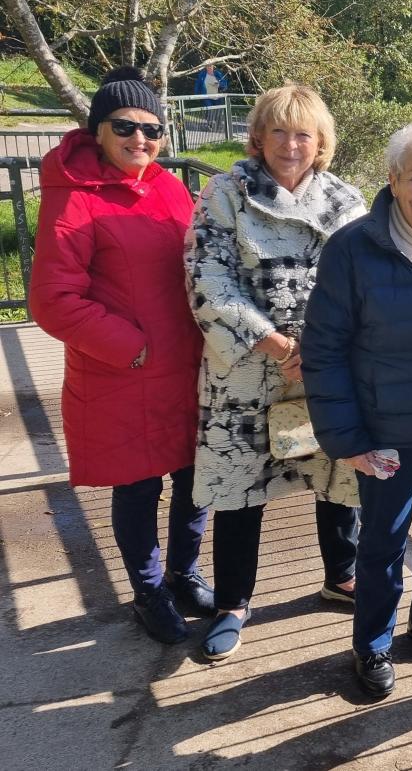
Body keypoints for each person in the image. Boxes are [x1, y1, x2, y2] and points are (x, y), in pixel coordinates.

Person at [29, 66, 212, 644]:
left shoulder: (167, 185)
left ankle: (185, 573)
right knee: (138, 487)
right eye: (125, 126)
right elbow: (53, 300)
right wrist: (131, 349)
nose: (140, 139)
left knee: (194, 480)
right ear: (98, 130)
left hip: (186, 367)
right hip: (125, 374)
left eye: (152, 129)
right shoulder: (75, 199)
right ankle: (150, 591)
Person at [185, 84, 366, 662]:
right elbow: (206, 275)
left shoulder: (344, 202)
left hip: (324, 365)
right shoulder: (225, 193)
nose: (291, 145)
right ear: (258, 137)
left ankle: (342, 575)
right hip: (244, 369)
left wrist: (317, 345)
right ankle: (233, 602)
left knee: (339, 471)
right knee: (241, 487)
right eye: (280, 131)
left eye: (304, 134)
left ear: (322, 144)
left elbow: (364, 284)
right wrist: (270, 339)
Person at [302, 122, 412, 699]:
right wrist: (346, 437)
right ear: (393, 180)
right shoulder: (353, 248)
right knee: (382, 539)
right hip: (385, 428)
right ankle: (372, 643)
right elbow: (324, 349)